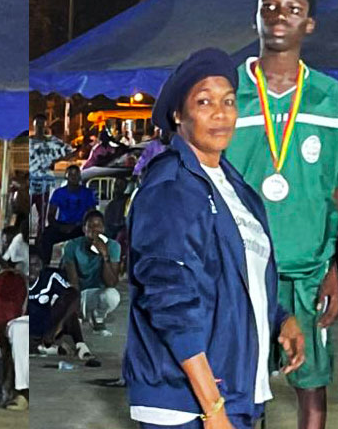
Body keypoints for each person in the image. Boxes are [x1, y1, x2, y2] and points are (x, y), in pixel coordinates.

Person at [128, 47, 307, 429]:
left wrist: (281, 319)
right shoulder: (172, 186)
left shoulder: (231, 185)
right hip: (186, 402)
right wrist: (213, 407)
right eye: (204, 101)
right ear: (179, 114)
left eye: (228, 101)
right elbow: (169, 299)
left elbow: (236, 278)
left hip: (232, 389)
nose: (221, 113)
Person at [223, 0, 338, 429]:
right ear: (256, 15)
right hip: (241, 268)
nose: (279, 15)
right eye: (270, 6)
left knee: (311, 390)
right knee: (237, 389)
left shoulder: (330, 96)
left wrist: (336, 267)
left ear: (310, 24)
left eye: (293, 9)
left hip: (308, 267)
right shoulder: (226, 89)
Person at [62, 210, 123, 334]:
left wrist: (105, 256)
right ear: (84, 229)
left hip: (97, 294)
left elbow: (111, 282)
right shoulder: (72, 246)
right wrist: (76, 308)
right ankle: (79, 316)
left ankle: (98, 317)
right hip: (79, 294)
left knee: (112, 295)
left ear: (104, 229)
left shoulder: (113, 246)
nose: (95, 230)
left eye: (98, 226)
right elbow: (73, 282)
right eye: (90, 226)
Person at [41, 167, 97, 263]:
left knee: (92, 237)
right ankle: (44, 266)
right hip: (62, 225)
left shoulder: (88, 193)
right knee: (46, 236)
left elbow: (92, 214)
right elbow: (50, 215)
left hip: (80, 226)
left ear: (80, 177)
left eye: (76, 174)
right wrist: (60, 226)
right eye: (71, 174)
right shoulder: (58, 193)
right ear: (66, 176)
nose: (73, 177)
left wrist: (79, 225)